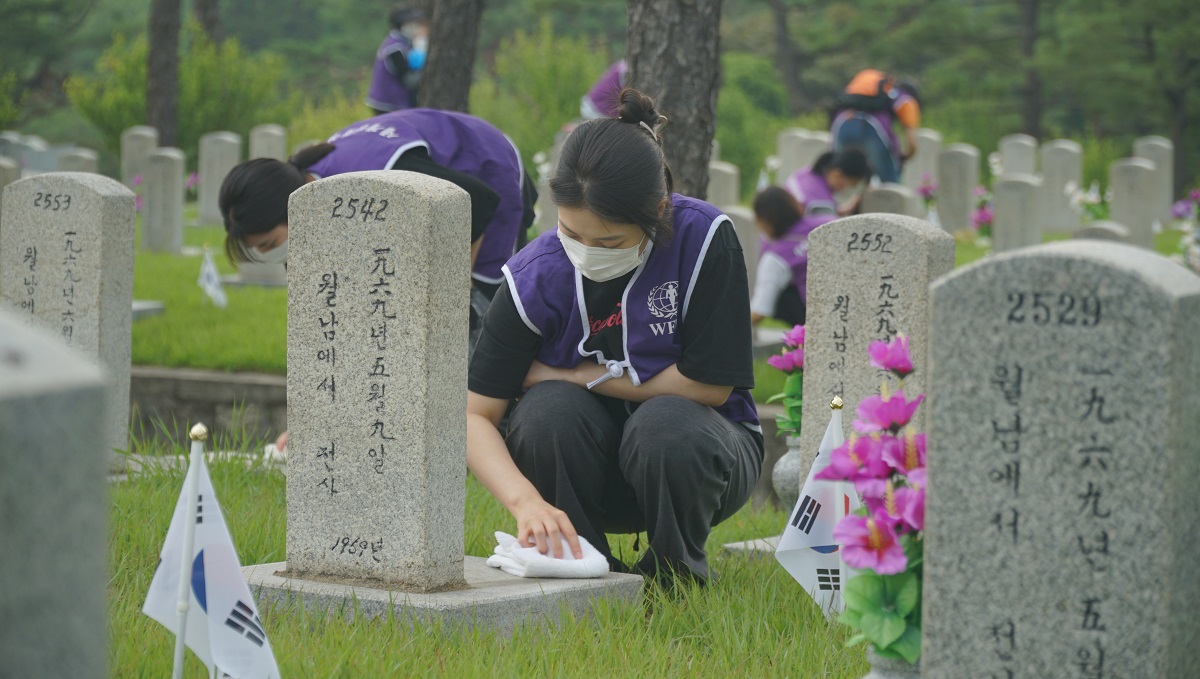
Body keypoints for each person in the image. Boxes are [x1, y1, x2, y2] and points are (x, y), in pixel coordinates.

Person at [466, 88, 762, 585]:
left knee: (665, 423)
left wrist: (577, 375)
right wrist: (526, 502)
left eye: (609, 242)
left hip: (700, 462)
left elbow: (709, 386)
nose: (587, 252)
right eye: (571, 234)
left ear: (659, 210)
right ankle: (584, 570)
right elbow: (476, 415)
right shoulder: (533, 277)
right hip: (588, 473)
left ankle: (674, 580)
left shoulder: (704, 239)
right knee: (545, 413)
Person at [754, 150, 870, 326]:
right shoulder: (825, 222)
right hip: (852, 300)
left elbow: (760, 310)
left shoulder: (776, 255)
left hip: (817, 315)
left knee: (779, 295)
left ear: (765, 221)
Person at [829, 69, 921, 183]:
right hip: (871, 125)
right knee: (888, 181)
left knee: (841, 177)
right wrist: (904, 156)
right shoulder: (903, 96)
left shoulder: (879, 88)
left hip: (841, 122)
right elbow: (912, 144)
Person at [365, 6, 429, 114]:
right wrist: (427, 69)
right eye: (412, 23)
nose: (416, 26)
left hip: (393, 103)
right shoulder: (394, 49)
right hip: (387, 105)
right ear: (402, 25)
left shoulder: (401, 42)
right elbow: (409, 80)